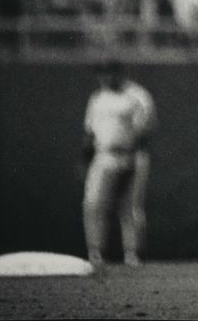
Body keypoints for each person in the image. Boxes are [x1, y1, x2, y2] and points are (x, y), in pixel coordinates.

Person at [82, 58, 157, 267]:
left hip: (131, 154)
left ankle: (131, 254)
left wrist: (134, 157)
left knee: (130, 207)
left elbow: (146, 129)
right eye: (102, 73)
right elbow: (89, 131)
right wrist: (84, 160)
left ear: (119, 73)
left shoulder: (137, 96)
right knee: (93, 204)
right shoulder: (98, 97)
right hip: (103, 155)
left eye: (108, 72)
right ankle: (95, 253)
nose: (104, 77)